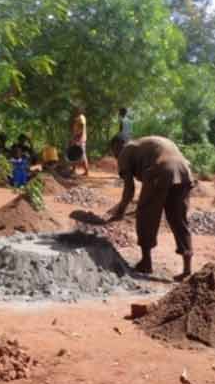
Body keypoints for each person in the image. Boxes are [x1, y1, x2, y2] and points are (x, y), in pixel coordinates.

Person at [106, 135, 194, 280]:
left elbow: (129, 190)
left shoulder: (125, 151)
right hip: (184, 171)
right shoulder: (144, 145)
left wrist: (120, 212)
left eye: (113, 150)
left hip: (160, 170)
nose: (115, 155)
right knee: (179, 220)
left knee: (146, 215)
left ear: (118, 145)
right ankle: (187, 269)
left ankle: (146, 263)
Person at [70, 107, 89, 176]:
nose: (75, 111)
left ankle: (86, 171)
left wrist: (79, 138)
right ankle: (73, 169)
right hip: (77, 138)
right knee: (74, 153)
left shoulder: (81, 117)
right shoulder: (79, 117)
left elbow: (82, 128)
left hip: (80, 138)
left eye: (77, 109)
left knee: (82, 154)